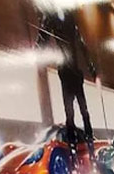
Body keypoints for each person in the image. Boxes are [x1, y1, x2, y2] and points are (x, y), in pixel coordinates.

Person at [37, 9, 97, 158]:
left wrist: (92, 68)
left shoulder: (68, 19)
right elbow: (43, 36)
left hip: (73, 73)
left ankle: (87, 142)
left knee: (82, 111)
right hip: (67, 73)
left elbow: (81, 44)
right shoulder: (53, 18)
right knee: (72, 112)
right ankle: (75, 145)